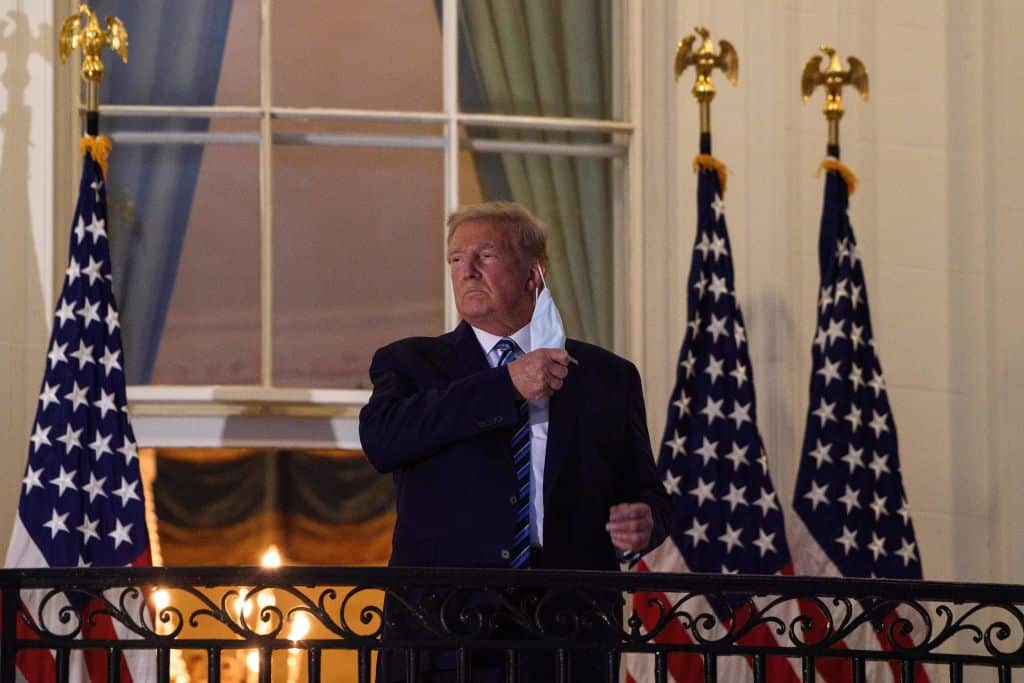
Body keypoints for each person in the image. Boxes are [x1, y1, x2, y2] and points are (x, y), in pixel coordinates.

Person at [359, 201, 671, 682]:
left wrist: (647, 519)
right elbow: (382, 441)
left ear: (534, 274)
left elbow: (646, 490)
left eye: (485, 255)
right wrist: (506, 383)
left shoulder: (609, 377)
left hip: (568, 635)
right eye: (456, 259)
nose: (467, 270)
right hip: (443, 637)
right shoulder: (411, 363)